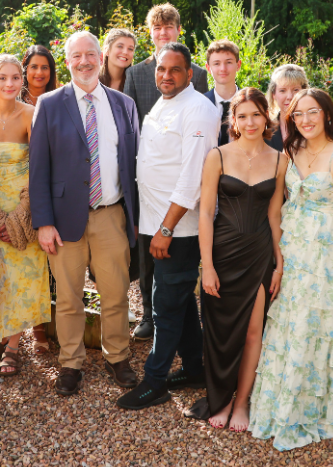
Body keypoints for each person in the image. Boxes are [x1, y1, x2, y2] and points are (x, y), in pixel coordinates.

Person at [249, 88, 333, 450]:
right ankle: (279, 406)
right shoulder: (291, 151)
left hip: (324, 263)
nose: (305, 120)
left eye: (311, 112)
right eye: (297, 114)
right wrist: (283, 252)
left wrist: (326, 249)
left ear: (327, 113)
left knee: (315, 330)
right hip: (290, 253)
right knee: (286, 327)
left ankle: (311, 412)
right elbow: (277, 205)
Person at [29, 31, 141, 396]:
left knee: (115, 293)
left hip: (111, 214)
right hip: (63, 220)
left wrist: (136, 217)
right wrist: (43, 222)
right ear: (67, 61)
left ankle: (117, 357)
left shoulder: (123, 104)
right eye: (76, 56)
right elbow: (38, 168)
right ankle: (71, 363)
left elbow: (132, 163)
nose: (84, 62)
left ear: (101, 57)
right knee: (69, 297)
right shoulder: (49, 104)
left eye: (90, 54)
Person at [116, 42, 221, 410]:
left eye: (175, 70)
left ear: (190, 74)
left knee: (166, 304)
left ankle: (155, 380)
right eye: (161, 69)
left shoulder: (199, 111)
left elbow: (194, 178)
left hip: (179, 228)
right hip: (155, 222)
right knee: (178, 300)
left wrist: (166, 229)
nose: (166, 76)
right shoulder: (164, 103)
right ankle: (194, 368)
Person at [185, 87, 284, 431]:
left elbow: (275, 216)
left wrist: (280, 264)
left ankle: (241, 403)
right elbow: (206, 213)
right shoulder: (219, 156)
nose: (250, 121)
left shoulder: (279, 159)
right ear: (234, 121)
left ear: (266, 117)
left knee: (254, 331)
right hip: (222, 255)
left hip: (259, 256)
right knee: (220, 331)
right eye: (242, 116)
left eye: (256, 114)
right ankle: (221, 399)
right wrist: (207, 266)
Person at [122, 2, 209, 341]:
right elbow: (131, 128)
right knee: (147, 254)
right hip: (147, 180)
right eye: (157, 29)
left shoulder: (195, 74)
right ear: (151, 32)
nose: (162, 33)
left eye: (168, 28)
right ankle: (148, 314)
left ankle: (170, 339)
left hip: (177, 184)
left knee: (176, 265)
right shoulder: (137, 72)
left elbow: (195, 123)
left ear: (177, 31)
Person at [0, 54, 49, 377]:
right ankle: (1, 334)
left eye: (15, 77)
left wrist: (18, 216)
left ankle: (14, 345)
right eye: (3, 78)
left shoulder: (32, 114)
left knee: (20, 277)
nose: (9, 84)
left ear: (23, 80)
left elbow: (40, 167)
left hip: (24, 205)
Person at [19, 45, 59, 354]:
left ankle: (42, 326)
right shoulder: (12, 102)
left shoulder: (59, 102)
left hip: (51, 189)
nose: (39, 73)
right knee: (20, 261)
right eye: (34, 67)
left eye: (45, 67)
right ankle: (11, 333)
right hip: (17, 189)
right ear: (24, 70)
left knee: (47, 262)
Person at [203, 39, 242, 147]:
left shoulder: (251, 102)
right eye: (216, 63)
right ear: (208, 68)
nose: (223, 69)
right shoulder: (201, 104)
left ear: (238, 65)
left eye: (228, 62)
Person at [264, 64, 309, 151]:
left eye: (295, 90)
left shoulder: (314, 125)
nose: (289, 96)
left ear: (304, 91)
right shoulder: (264, 130)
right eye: (282, 90)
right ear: (274, 94)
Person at [99, 28, 137, 93]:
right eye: (120, 46)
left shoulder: (137, 82)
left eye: (130, 49)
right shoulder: (93, 80)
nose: (125, 52)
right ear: (107, 50)